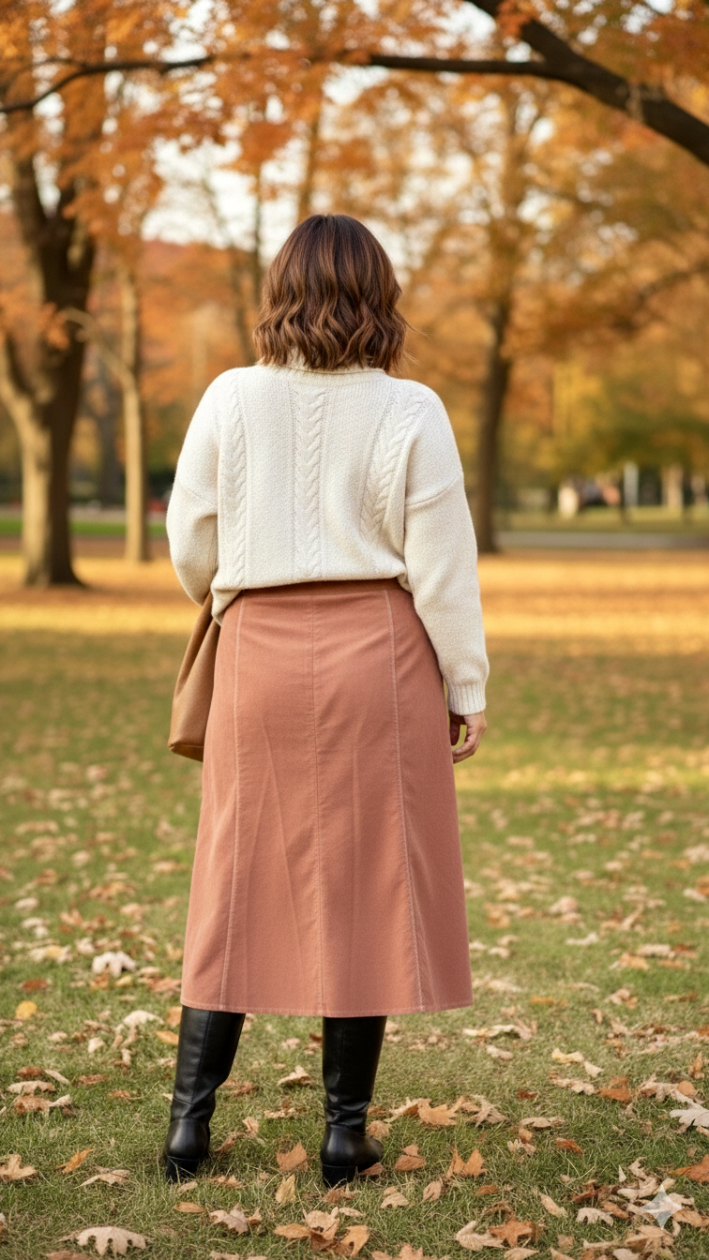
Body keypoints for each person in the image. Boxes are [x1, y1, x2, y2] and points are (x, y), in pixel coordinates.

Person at [163, 213, 489, 1187]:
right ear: (377, 295)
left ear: (283, 292)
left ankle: (188, 1129)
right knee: (364, 886)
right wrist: (464, 681)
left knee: (232, 880)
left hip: (255, 657)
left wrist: (233, 592)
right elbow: (441, 565)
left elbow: (191, 537)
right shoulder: (411, 408)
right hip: (374, 661)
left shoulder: (229, 397)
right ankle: (343, 1137)